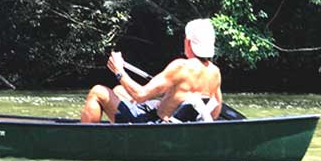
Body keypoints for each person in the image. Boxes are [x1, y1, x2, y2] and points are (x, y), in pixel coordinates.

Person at [80, 18, 223, 123]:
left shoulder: (181, 66)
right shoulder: (215, 72)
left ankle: (86, 141)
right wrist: (173, 104)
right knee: (119, 90)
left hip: (153, 124)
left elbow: (140, 95)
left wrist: (119, 71)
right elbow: (215, 112)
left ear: (188, 42)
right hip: (173, 121)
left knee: (97, 92)